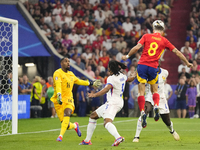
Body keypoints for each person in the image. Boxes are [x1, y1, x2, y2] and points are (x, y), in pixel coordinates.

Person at [122, 20, 193, 128]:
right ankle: (156, 106)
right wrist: (187, 62)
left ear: (153, 28)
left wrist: (127, 56)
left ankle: (142, 112)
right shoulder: (164, 40)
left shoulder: (146, 36)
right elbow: (177, 52)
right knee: (154, 90)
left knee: (141, 93)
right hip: (153, 67)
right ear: (163, 30)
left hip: (142, 65)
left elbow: (137, 48)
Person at [79, 60, 136, 146]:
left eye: (109, 67)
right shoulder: (122, 76)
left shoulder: (111, 78)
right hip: (118, 101)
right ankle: (87, 140)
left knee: (107, 122)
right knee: (93, 116)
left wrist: (94, 95)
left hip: (113, 103)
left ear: (111, 69)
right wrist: (134, 76)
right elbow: (129, 79)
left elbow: (106, 89)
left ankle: (118, 137)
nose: (108, 69)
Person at [50, 57, 101, 142]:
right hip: (58, 99)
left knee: (67, 113)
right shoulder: (57, 73)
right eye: (66, 61)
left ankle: (60, 136)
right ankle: (75, 126)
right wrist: (59, 95)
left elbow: (80, 81)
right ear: (61, 63)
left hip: (69, 99)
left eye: (69, 61)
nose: (68, 63)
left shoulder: (71, 74)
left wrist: (91, 83)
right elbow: (58, 85)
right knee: (65, 124)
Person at [132, 67, 180, 143]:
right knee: (144, 112)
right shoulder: (148, 72)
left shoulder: (165, 72)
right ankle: (136, 136)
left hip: (161, 97)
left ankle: (172, 130)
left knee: (167, 120)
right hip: (150, 96)